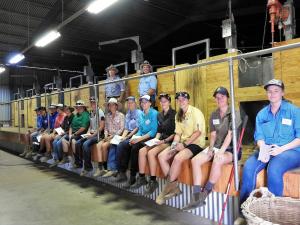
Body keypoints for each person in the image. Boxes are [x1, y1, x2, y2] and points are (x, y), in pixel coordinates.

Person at [234, 79, 300, 225]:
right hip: (268, 148)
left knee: (274, 168)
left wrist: (281, 149)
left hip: (291, 150)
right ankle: (244, 213)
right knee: (249, 168)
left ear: (282, 92)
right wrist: (263, 147)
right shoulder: (262, 114)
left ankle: (273, 216)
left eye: (276, 90)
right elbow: (259, 136)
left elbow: (299, 138)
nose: (272, 93)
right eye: (269, 91)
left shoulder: (294, 111)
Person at [182, 87, 242, 211]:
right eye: (217, 97)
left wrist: (220, 151)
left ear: (227, 98)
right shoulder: (214, 114)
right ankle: (196, 195)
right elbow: (213, 135)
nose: (219, 99)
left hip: (231, 149)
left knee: (217, 160)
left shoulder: (234, 113)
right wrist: (210, 148)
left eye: (222, 97)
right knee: (195, 160)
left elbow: (230, 135)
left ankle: (206, 192)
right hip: (216, 147)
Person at [156, 91, 206, 205]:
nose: (181, 101)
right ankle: (174, 187)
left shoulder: (195, 112)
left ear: (188, 100)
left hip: (196, 143)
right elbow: (177, 133)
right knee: (162, 156)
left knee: (178, 158)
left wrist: (184, 145)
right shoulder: (178, 114)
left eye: (183, 99)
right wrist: (174, 146)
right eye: (178, 99)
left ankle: (165, 190)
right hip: (182, 142)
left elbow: (198, 132)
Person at [132, 93, 176, 194]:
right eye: (161, 101)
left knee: (151, 153)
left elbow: (175, 133)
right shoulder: (160, 115)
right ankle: (142, 177)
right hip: (160, 140)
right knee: (142, 151)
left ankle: (153, 180)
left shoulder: (174, 114)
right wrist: (155, 140)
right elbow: (159, 131)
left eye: (165, 101)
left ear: (169, 102)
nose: (162, 103)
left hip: (169, 141)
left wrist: (163, 141)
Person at [122, 95, 158, 188]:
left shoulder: (154, 113)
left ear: (150, 103)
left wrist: (138, 139)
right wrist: (134, 138)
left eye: (146, 102)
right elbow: (140, 130)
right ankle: (125, 173)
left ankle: (135, 177)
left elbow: (153, 132)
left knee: (135, 147)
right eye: (142, 102)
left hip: (151, 138)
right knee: (126, 145)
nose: (143, 104)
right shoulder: (141, 114)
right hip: (142, 137)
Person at [92, 98, 125, 177]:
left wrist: (111, 137)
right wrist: (106, 136)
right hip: (108, 136)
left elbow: (121, 129)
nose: (111, 106)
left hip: (117, 136)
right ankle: (101, 167)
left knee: (104, 146)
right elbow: (106, 128)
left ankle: (108, 167)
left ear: (116, 106)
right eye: (109, 105)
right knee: (98, 145)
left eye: (113, 105)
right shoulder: (107, 116)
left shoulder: (121, 115)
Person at [113, 96, 142, 182]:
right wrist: (122, 137)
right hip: (128, 134)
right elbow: (126, 128)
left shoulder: (139, 113)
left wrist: (127, 137)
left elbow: (137, 128)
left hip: (136, 134)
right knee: (118, 143)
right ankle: (119, 171)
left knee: (122, 145)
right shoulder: (128, 113)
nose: (129, 104)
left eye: (131, 102)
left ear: (135, 103)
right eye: (128, 103)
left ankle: (121, 171)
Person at [79, 96, 105, 176]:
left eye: (94, 102)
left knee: (85, 144)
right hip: (92, 134)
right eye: (91, 102)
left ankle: (88, 167)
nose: (92, 103)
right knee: (78, 142)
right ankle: (83, 164)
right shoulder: (91, 112)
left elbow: (101, 127)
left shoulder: (100, 112)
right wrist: (87, 133)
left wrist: (92, 135)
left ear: (97, 103)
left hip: (98, 135)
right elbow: (90, 126)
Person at [61, 100, 90, 167]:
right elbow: (71, 126)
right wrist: (70, 135)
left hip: (82, 133)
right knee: (63, 140)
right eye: (77, 107)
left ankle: (78, 161)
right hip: (74, 133)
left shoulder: (85, 114)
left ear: (83, 107)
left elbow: (83, 128)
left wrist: (74, 134)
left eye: (79, 107)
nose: (78, 108)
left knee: (74, 141)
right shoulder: (76, 115)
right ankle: (67, 157)